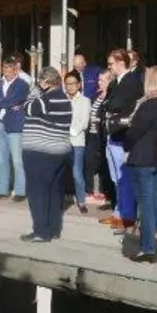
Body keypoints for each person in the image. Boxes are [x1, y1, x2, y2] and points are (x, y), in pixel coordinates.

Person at [124, 67, 157, 264]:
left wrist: (126, 137)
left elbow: (134, 132)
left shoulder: (149, 105)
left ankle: (148, 247)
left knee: (146, 203)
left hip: (143, 159)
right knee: (154, 202)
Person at [21, 66, 74, 243]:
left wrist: (34, 91)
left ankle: (41, 232)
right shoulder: (65, 99)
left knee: (37, 192)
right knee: (54, 192)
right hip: (60, 152)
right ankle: (54, 229)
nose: (38, 85)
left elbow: (26, 107)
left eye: (40, 82)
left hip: (41, 152)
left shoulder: (45, 99)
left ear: (46, 82)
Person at [102, 49, 144, 232]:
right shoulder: (115, 83)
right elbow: (107, 104)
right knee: (115, 178)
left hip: (123, 136)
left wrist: (112, 109)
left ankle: (127, 216)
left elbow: (120, 106)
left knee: (124, 178)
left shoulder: (132, 82)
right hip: (112, 134)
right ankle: (120, 211)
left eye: (111, 64)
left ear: (121, 63)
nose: (109, 67)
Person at [0, 55, 31, 200]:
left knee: (17, 160)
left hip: (14, 125)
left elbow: (15, 99)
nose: (6, 72)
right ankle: (2, 189)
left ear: (15, 70)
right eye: (4, 69)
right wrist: (1, 102)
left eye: (9, 69)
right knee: (2, 159)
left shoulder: (22, 84)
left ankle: (20, 191)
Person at [65, 72, 93, 212]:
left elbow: (84, 122)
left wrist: (72, 130)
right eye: (67, 84)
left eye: (73, 83)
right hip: (62, 141)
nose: (70, 86)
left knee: (77, 173)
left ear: (79, 85)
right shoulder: (62, 100)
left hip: (77, 141)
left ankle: (81, 201)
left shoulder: (85, 100)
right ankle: (60, 199)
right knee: (61, 172)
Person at [89, 71, 115, 207]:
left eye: (102, 80)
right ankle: (99, 192)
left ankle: (110, 197)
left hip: (103, 135)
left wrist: (99, 120)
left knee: (106, 166)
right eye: (98, 80)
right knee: (96, 165)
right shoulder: (96, 96)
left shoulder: (111, 97)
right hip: (93, 135)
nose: (99, 83)